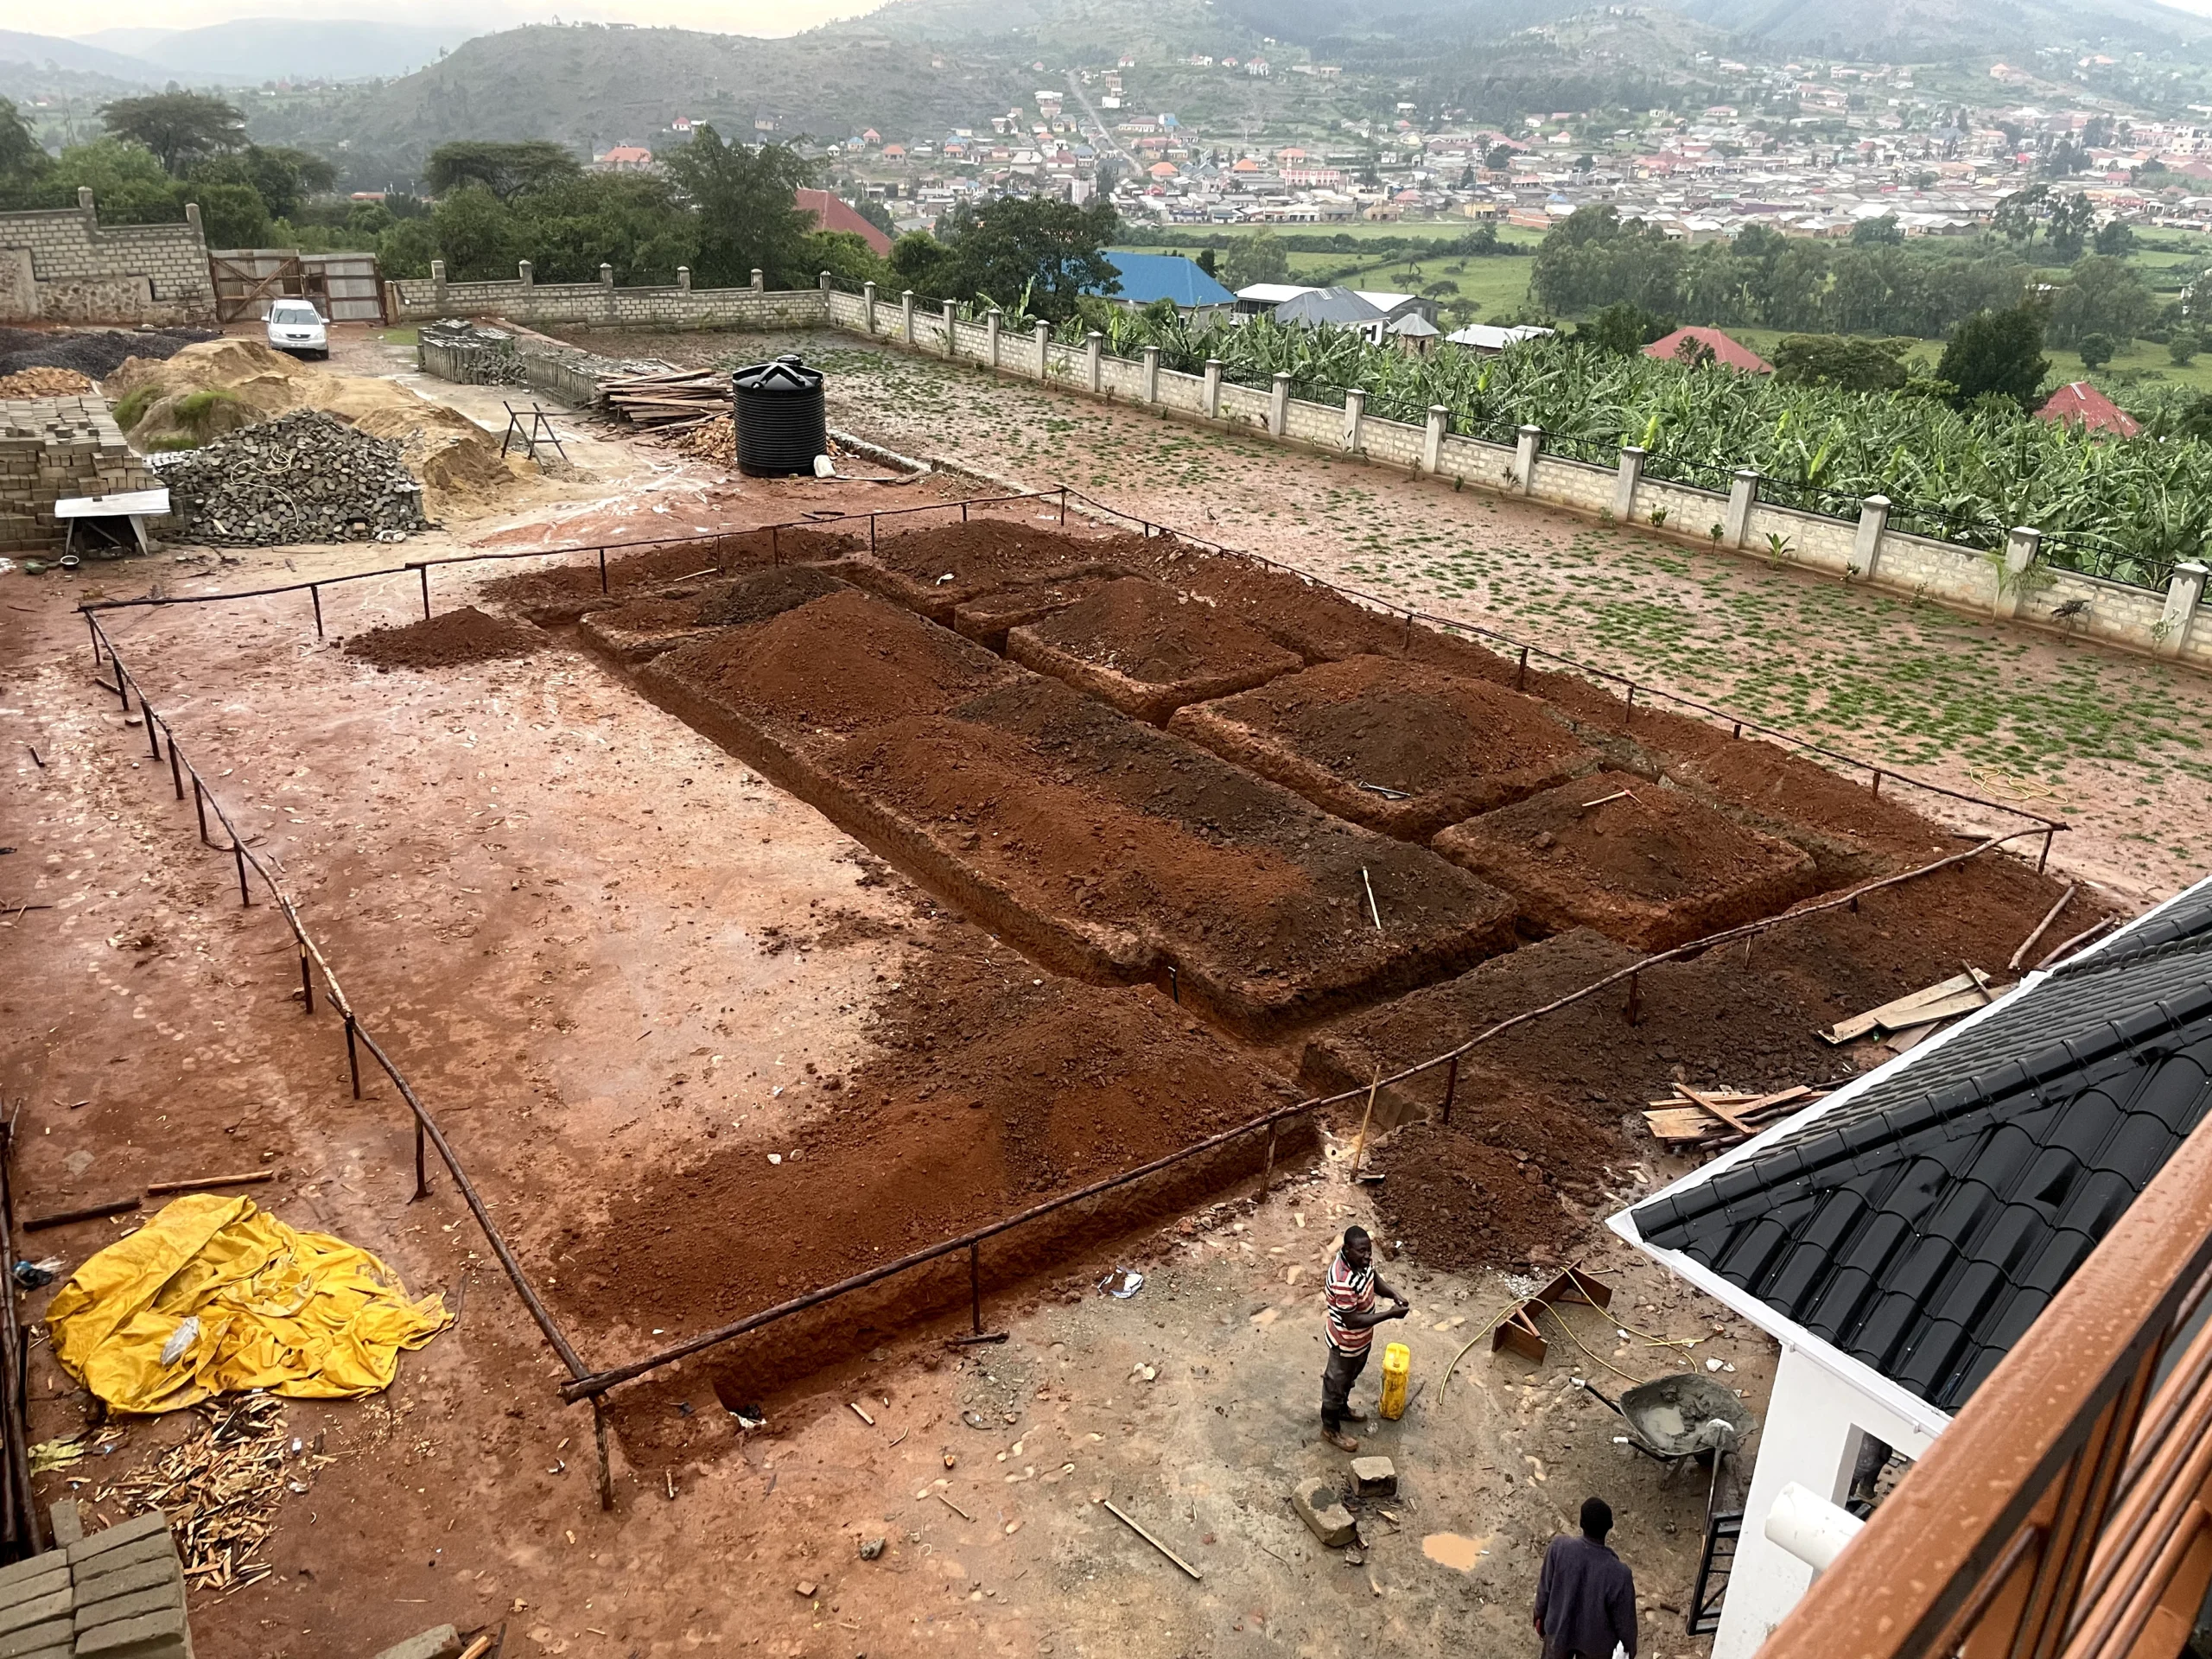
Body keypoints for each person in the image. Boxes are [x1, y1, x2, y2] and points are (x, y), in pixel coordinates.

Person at [1319, 1225, 1408, 1452]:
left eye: (1369, 1250)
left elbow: (1373, 1280)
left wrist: (1393, 1294)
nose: (1368, 1256)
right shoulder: (1342, 1282)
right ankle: (1330, 1428)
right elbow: (1352, 1321)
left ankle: (1342, 1409)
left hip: (1361, 1340)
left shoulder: (1363, 1262)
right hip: (1345, 1343)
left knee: (1349, 1379)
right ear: (1347, 1250)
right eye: (1362, 1251)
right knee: (1335, 1386)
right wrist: (1390, 1314)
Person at [1533, 1497, 1638, 1659]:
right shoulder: (1620, 1574)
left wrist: (1539, 1616)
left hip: (1557, 1637)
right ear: (1609, 1527)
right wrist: (1630, 1649)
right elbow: (1626, 1623)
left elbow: (1544, 1591)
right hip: (1596, 1650)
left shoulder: (1559, 1548)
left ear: (1581, 1523)